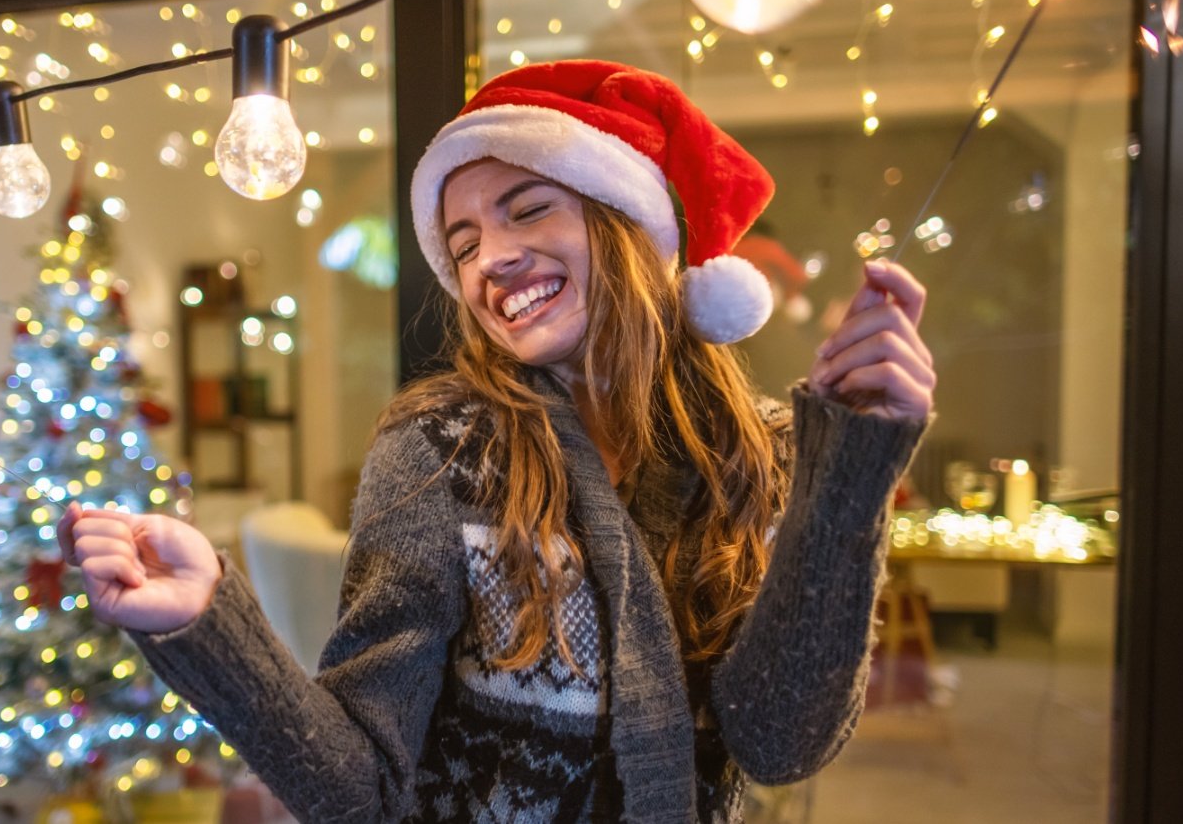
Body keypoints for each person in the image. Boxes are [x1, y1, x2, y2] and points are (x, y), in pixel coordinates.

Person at [57, 61, 934, 823]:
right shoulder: (437, 450)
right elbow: (360, 785)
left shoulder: (768, 453)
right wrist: (209, 622)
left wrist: (850, 467)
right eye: (464, 241)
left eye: (527, 210)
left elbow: (779, 741)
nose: (488, 260)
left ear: (629, 227)